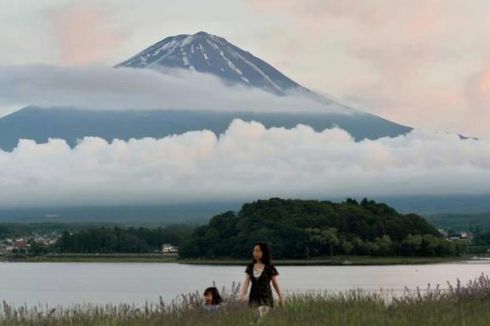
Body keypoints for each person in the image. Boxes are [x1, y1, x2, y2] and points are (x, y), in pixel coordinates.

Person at [239, 242, 284, 314]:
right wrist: (242, 295)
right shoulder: (250, 266)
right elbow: (246, 283)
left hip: (266, 298)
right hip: (253, 298)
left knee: (261, 315)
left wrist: (281, 297)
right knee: (254, 320)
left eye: (258, 251)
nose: (255, 253)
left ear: (264, 252)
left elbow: (275, 284)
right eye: (254, 251)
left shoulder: (269, 267)